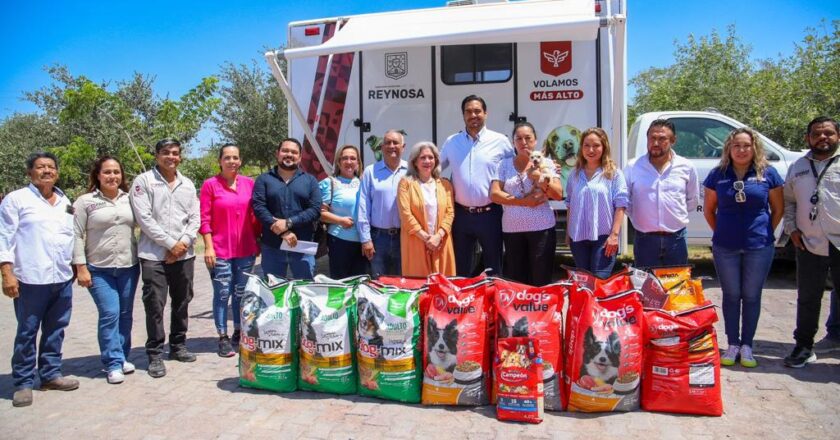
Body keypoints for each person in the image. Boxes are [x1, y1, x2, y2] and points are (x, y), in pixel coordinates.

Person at [0, 152, 79, 407]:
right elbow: (5, 238)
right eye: (40, 167)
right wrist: (6, 273)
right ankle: (23, 382)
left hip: (61, 277)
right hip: (30, 278)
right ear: (29, 173)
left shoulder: (64, 200)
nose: (46, 171)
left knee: (56, 329)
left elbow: (71, 236)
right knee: (27, 332)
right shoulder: (16, 200)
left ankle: (50, 374)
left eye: (51, 167)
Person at [703, 128, 784, 368]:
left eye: (746, 145)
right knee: (731, 295)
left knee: (751, 296)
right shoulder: (717, 174)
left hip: (758, 246)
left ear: (754, 148)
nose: (741, 150)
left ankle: (747, 345)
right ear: (729, 148)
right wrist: (723, 232)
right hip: (725, 246)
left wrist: (763, 232)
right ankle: (733, 344)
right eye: (736, 145)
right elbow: (709, 210)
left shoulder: (768, 173)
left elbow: (777, 210)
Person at [130, 138, 201, 378]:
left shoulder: (188, 184)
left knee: (182, 301)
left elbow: (195, 218)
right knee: (155, 305)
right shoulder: (143, 182)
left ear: (180, 156)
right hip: (154, 256)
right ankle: (155, 354)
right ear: (156, 156)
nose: (171, 157)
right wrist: (171, 245)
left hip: (184, 255)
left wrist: (183, 244)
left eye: (175, 153)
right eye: (165, 153)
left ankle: (178, 345)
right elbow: (144, 219)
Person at [73, 156, 140, 384]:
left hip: (128, 267)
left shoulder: (131, 199)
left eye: (116, 172)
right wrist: (80, 266)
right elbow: (75, 234)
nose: (112, 176)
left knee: (125, 314)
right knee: (110, 313)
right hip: (99, 269)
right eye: (107, 172)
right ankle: (112, 363)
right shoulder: (85, 202)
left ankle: (122, 357)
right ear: (98, 175)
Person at [782, 116, 840, 368]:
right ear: (808, 138)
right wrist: (792, 228)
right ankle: (803, 346)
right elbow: (789, 202)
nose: (823, 138)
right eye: (817, 134)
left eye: (828, 133)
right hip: (809, 242)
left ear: (838, 136)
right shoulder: (798, 167)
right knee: (808, 297)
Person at [441, 95, 514, 276]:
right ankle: (463, 303)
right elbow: (434, 169)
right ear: (463, 115)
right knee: (460, 268)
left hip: (490, 214)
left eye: (477, 111)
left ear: (485, 113)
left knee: (493, 268)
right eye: (468, 111)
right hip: (461, 216)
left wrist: (546, 167)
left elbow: (516, 168)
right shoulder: (452, 142)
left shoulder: (500, 141)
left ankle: (491, 302)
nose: (473, 115)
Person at [199, 144, 261, 357]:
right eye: (227, 157)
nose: (232, 161)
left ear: (240, 161)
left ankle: (238, 331)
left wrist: (258, 241)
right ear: (220, 161)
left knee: (240, 294)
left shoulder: (248, 184)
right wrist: (208, 246)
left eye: (235, 157)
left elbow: (255, 216)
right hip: (220, 251)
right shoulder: (210, 185)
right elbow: (204, 218)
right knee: (222, 293)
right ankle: (222, 337)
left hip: (246, 249)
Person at [489, 122, 562, 285]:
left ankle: (541, 310)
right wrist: (524, 202)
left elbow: (558, 194)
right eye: (518, 138)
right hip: (512, 230)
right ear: (513, 143)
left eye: (528, 138)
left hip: (541, 228)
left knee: (541, 279)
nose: (523, 142)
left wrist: (538, 178)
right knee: (516, 279)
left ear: (535, 141)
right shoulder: (503, 164)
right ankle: (519, 310)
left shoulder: (547, 163)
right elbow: (494, 194)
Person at [624, 119, 699, 267]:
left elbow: (692, 200)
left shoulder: (686, 167)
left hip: (676, 239)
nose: (656, 143)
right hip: (644, 240)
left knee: (676, 287)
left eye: (662, 138)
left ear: (673, 140)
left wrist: (673, 217)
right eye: (652, 138)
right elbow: (626, 200)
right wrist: (639, 219)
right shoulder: (633, 167)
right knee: (646, 286)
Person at [252, 138, 321, 280]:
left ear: (300, 157)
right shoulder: (263, 179)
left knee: (305, 290)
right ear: (277, 154)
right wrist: (282, 230)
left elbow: (315, 209)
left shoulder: (310, 181)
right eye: (285, 150)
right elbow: (259, 207)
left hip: (302, 248)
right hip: (272, 247)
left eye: (294, 152)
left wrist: (289, 223)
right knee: (274, 292)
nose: (289, 154)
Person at [565, 127, 628, 279]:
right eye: (586, 145)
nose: (591, 150)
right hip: (578, 237)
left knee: (600, 281)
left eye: (596, 145)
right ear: (581, 148)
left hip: (604, 238)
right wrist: (568, 233)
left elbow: (621, 205)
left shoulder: (613, 173)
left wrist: (614, 235)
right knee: (583, 284)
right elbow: (570, 205)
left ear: (604, 147)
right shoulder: (575, 174)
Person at [397, 142, 456, 277]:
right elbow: (405, 215)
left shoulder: (445, 184)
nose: (427, 161)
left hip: (441, 242)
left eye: (431, 157)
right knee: (419, 287)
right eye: (422, 157)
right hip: (416, 242)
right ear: (414, 161)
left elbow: (450, 213)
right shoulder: (405, 183)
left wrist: (438, 237)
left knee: (442, 287)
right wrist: (427, 239)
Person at [357, 130, 409, 277]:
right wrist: (365, 239)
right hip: (378, 238)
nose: (391, 146)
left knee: (403, 282)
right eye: (387, 143)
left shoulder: (411, 171)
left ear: (403, 147)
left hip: (404, 237)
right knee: (379, 282)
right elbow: (363, 206)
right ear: (381, 147)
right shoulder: (370, 171)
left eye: (395, 143)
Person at [319, 144, 367, 279]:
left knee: (361, 283)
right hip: (339, 241)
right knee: (341, 283)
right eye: (345, 158)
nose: (349, 162)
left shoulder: (363, 183)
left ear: (358, 162)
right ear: (338, 162)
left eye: (353, 158)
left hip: (363, 242)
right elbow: (321, 214)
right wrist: (340, 220)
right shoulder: (330, 183)